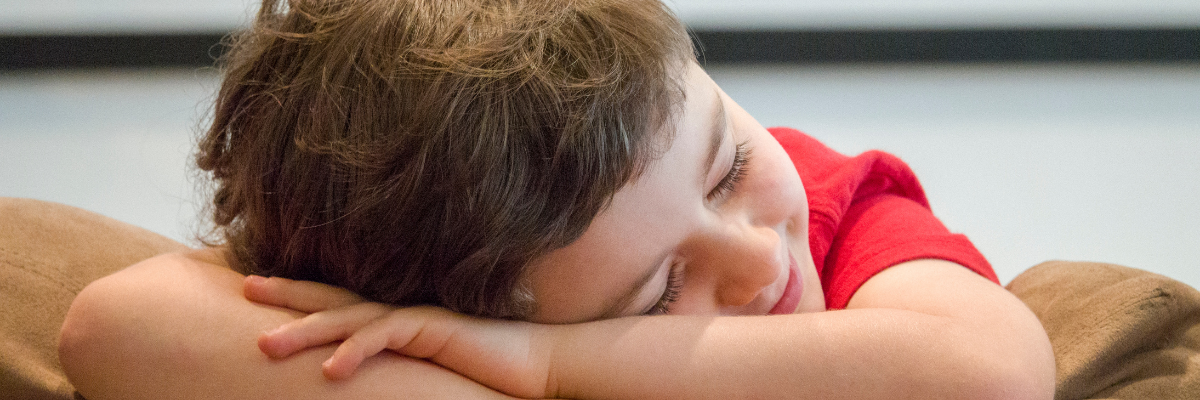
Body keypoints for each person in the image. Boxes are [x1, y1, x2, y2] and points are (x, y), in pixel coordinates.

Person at [57, 0, 1055, 399]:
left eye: (726, 166)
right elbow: (117, 326)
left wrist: (547, 360)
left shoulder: (840, 203)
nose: (759, 263)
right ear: (451, 319)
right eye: (657, 294)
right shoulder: (448, 308)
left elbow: (988, 371)